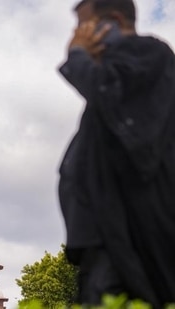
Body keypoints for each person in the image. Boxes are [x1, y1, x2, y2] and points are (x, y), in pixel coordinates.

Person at [58, 0, 175, 307]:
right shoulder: (108, 90)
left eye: (84, 27)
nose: (77, 38)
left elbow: (122, 116)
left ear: (113, 21)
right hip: (102, 238)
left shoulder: (150, 55)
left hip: (129, 232)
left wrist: (79, 57)